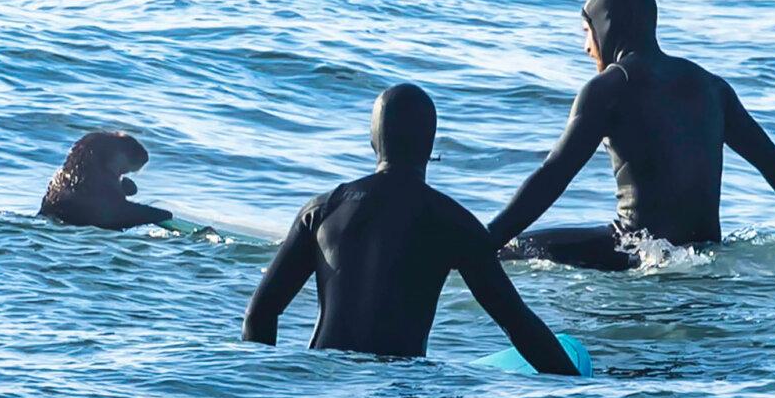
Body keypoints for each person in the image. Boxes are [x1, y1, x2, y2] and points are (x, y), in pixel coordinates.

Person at [489, 0, 775, 270]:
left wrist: (487, 238)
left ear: (608, 27)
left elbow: (553, 174)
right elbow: (771, 160)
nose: (586, 47)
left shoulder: (609, 88)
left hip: (640, 250)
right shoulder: (711, 86)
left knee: (514, 250)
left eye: (586, 31)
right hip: (705, 250)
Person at [243, 84, 579, 375]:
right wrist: (579, 389)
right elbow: (518, 324)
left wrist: (267, 390)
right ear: (430, 146)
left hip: (324, 381)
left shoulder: (322, 210)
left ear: (374, 140)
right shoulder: (452, 222)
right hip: (400, 390)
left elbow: (260, 314)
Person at [39, 131, 173, 230]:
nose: (122, 174)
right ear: (117, 157)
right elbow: (115, 215)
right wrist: (159, 215)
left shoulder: (64, 178)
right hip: (80, 228)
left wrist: (120, 188)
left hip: (50, 223)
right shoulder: (96, 183)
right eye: (123, 171)